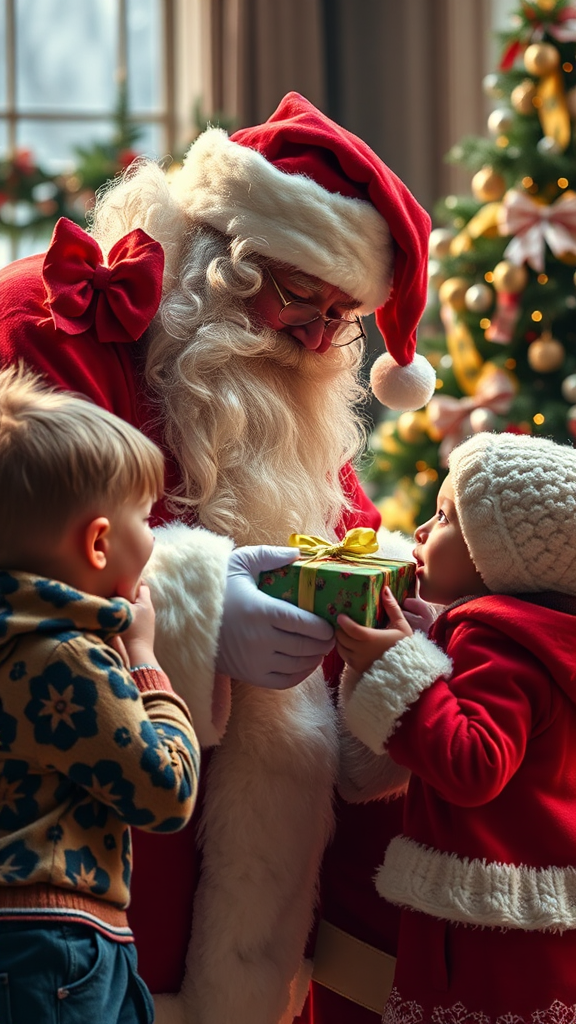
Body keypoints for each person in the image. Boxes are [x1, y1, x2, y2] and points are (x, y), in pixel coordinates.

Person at [0, 92, 434, 1023]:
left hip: (247, 897)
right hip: (66, 885)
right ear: (213, 253)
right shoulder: (44, 320)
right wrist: (195, 609)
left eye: (342, 317)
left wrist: (397, 622)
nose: (317, 341)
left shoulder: (297, 385)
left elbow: (348, 535)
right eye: (293, 296)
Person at [336, 431, 576, 1021]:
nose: (420, 531)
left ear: (498, 555)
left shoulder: (497, 640)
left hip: (481, 927)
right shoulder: (546, 638)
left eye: (445, 517)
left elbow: (473, 764)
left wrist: (392, 664)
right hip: (535, 919)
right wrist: (429, 645)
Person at [0, 365, 201, 1023]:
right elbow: (164, 794)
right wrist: (144, 661)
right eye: (143, 517)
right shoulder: (65, 654)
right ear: (97, 542)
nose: (153, 533)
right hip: (56, 944)